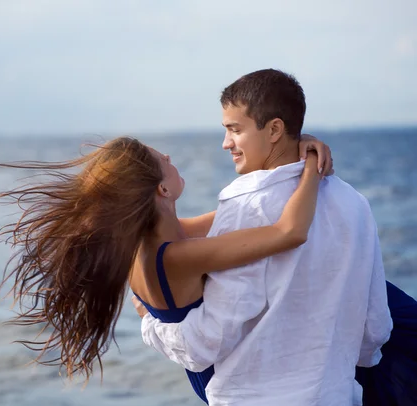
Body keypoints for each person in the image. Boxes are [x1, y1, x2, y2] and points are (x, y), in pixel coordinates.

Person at [134, 69, 399, 406]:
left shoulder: (246, 203)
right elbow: (374, 328)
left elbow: (209, 341)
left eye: (235, 130)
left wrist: (151, 325)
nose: (226, 143)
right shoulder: (354, 203)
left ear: (274, 129)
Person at [0, 132, 332, 388]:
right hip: (222, 379)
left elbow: (248, 212)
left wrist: (290, 154)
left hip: (207, 371)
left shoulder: (151, 241)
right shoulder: (175, 256)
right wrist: (312, 168)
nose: (169, 156)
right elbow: (289, 233)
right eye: (162, 160)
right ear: (162, 190)